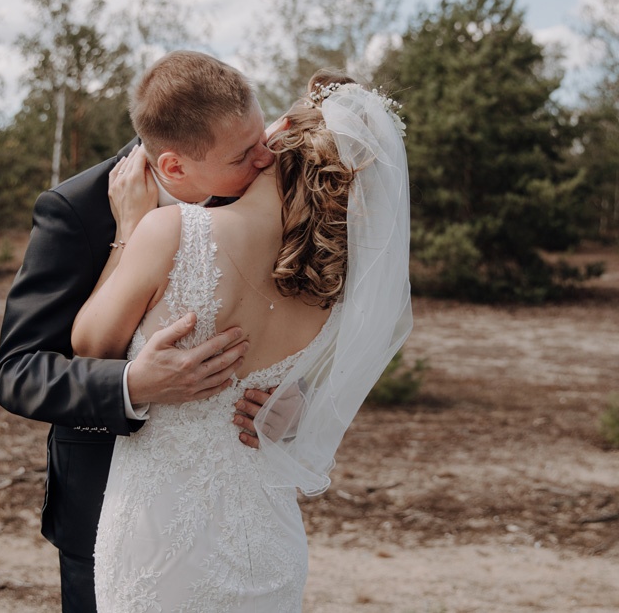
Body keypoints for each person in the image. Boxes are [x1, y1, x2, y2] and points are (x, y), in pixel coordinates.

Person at [72, 69, 413, 611]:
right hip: (266, 535)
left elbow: (90, 347)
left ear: (278, 147)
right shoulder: (326, 283)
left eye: (263, 142)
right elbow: (303, 385)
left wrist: (128, 234)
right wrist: (291, 403)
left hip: (160, 534)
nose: (257, 153)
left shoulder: (167, 232)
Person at [0, 51, 279, 613]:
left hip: (232, 501)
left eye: (261, 135)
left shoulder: (264, 188)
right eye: (245, 154)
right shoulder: (75, 210)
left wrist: (285, 400)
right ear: (173, 168)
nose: (267, 160)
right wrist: (132, 385)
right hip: (107, 505)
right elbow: (16, 371)